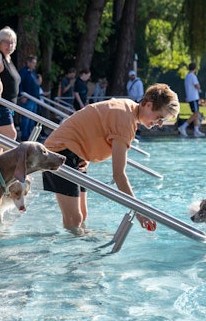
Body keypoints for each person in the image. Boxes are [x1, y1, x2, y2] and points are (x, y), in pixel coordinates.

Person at [42, 83, 180, 234]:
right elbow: (119, 175)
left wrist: (84, 154)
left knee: (82, 216)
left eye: (163, 121)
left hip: (74, 154)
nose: (159, 124)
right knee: (73, 220)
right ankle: (69, 255)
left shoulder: (127, 108)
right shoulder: (125, 121)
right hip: (59, 153)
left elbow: (92, 124)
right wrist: (139, 212)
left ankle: (81, 251)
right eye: (159, 118)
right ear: (148, 104)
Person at [0, 26, 21, 155]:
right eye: (6, 42)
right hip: (0, 105)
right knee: (10, 135)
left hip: (8, 106)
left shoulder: (9, 59)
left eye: (12, 42)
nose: (10, 45)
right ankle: (13, 168)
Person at [178, 62, 205, 137]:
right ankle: (183, 127)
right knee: (196, 113)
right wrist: (199, 88)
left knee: (196, 114)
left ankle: (196, 131)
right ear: (195, 68)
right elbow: (197, 86)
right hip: (193, 97)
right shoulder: (193, 76)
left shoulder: (187, 76)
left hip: (191, 97)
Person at [18, 55, 41, 141]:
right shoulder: (24, 72)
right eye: (33, 63)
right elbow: (19, 83)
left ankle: (30, 136)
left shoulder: (33, 72)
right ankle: (25, 136)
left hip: (34, 98)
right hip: (27, 98)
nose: (34, 65)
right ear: (28, 62)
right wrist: (21, 95)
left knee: (32, 119)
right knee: (26, 119)